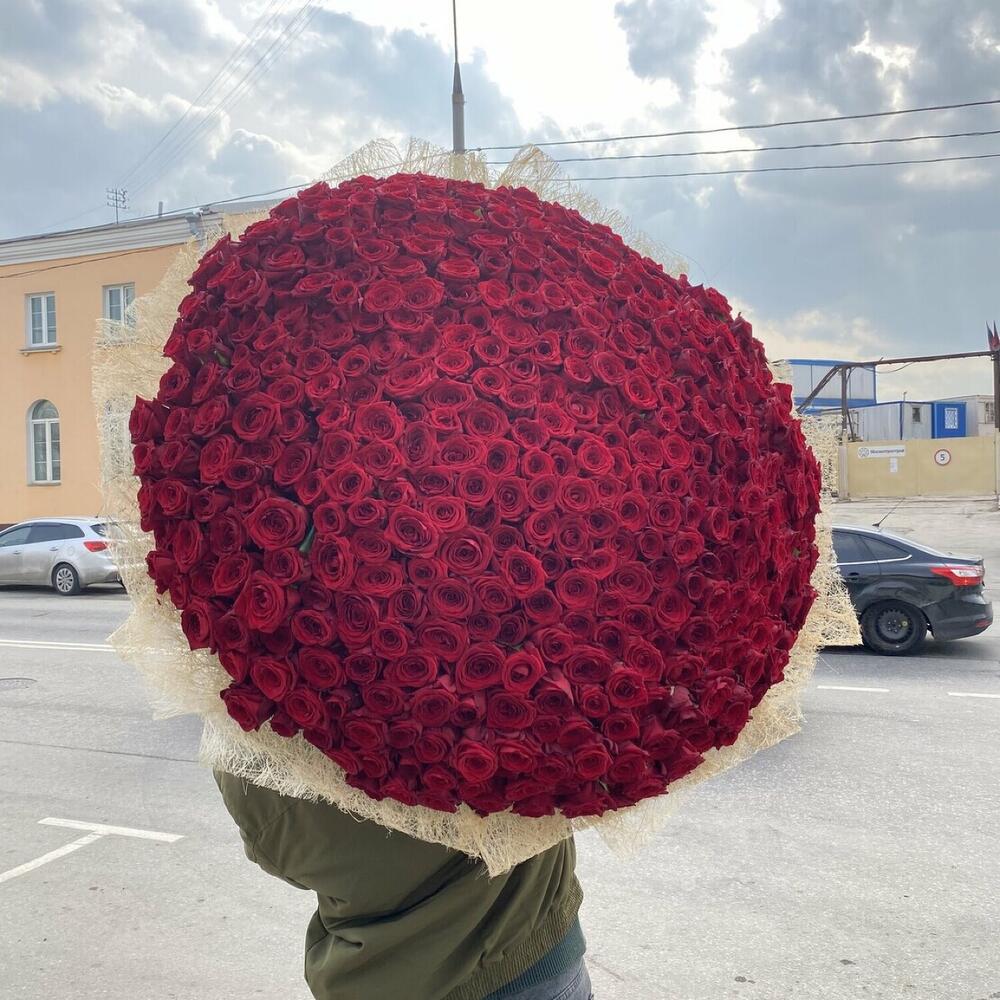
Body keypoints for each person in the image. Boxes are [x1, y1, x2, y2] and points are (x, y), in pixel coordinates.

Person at [216, 771, 593, 1000]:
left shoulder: (257, 744)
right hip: (532, 951)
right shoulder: (506, 670)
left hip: (384, 976)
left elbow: (275, 852)